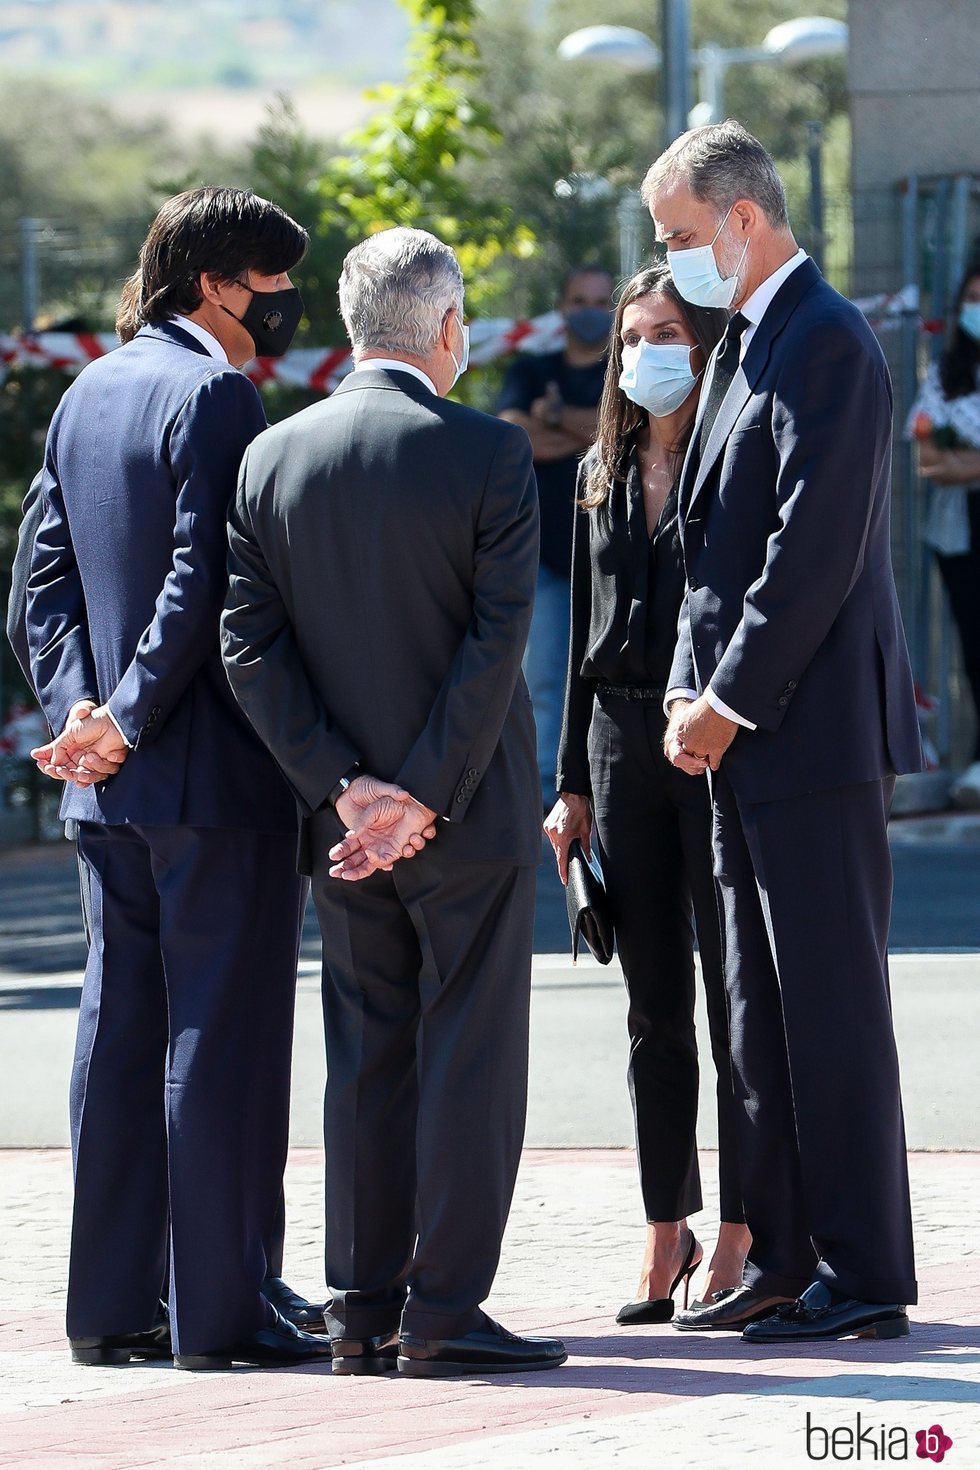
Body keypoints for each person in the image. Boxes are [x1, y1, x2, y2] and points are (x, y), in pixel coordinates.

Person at [221, 226, 567, 1379]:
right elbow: (494, 642)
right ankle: (445, 1311)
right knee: (469, 1050)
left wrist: (345, 790)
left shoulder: (272, 457)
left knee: (363, 1049)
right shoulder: (487, 451)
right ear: (448, 326)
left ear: (350, 325)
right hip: (468, 814)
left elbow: (249, 650)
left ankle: (360, 1306)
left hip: (340, 825)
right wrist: (418, 793)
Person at [26, 186, 332, 1370]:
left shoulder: (86, 390)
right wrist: (132, 717)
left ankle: (110, 1308)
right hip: (206, 779)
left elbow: (37, 592)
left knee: (117, 1038)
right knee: (224, 1038)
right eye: (273, 278)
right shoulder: (215, 392)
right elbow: (206, 587)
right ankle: (224, 1309)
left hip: (106, 788)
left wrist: (82, 719)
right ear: (216, 283)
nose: (284, 301)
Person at [643, 121, 923, 1342]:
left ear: (742, 219)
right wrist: (680, 687)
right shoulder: (752, 339)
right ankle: (788, 1253)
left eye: (681, 239)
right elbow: (707, 557)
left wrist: (724, 696)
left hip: (801, 734)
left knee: (826, 1008)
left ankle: (862, 1273)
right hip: (742, 737)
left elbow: (807, 552)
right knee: (756, 1011)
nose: (673, 261)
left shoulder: (824, 342)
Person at [545, 260, 749, 1325]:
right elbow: (583, 642)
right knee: (651, 1004)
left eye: (665, 332)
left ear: (705, 344)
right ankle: (663, 1227)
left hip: (710, 737)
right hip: (622, 740)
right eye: (631, 337)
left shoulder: (733, 458)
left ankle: (744, 1232)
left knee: (738, 1004)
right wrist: (570, 784)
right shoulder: (599, 472)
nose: (642, 353)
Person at [498, 266, 614, 805]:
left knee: (613, 684)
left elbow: (626, 427)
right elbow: (515, 436)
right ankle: (544, 797)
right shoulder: (530, 367)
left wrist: (555, 415)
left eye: (600, 300)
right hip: (543, 557)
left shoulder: (625, 365)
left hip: (614, 560)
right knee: (540, 684)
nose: (590, 309)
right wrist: (589, 432)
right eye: (579, 299)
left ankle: (604, 792)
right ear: (562, 308)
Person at [907, 264, 980, 807]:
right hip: (960, 529)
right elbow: (928, 459)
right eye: (971, 298)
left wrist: (964, 460)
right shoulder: (947, 374)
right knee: (974, 644)